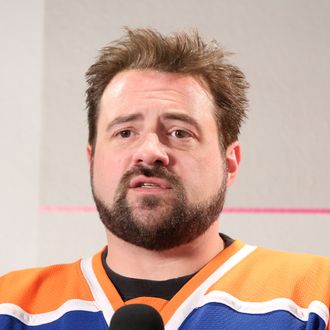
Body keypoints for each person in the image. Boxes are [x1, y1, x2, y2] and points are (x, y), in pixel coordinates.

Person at [0, 28, 329, 330]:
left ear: (230, 163)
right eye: (125, 132)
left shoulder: (316, 298)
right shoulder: (11, 308)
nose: (150, 151)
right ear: (92, 160)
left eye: (179, 132)